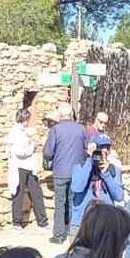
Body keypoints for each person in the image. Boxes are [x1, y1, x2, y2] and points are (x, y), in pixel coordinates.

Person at [41, 104, 89, 243]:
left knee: (60, 203)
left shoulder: (55, 130)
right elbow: (88, 147)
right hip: (77, 172)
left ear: (60, 115)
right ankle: (75, 233)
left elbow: (48, 152)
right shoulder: (81, 129)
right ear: (71, 115)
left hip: (60, 172)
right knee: (75, 202)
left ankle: (59, 235)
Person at [69, 136, 128, 227]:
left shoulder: (113, 169)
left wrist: (106, 173)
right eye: (100, 148)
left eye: (107, 148)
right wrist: (90, 161)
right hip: (81, 222)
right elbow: (77, 188)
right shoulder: (80, 166)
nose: (104, 151)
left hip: (106, 222)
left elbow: (119, 196)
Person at [6, 107, 47, 230]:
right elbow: (19, 151)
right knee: (18, 194)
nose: (28, 121)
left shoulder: (23, 131)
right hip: (20, 166)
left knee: (36, 193)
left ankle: (43, 222)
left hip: (29, 167)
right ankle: (17, 223)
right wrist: (32, 148)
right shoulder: (15, 132)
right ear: (24, 118)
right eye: (27, 119)